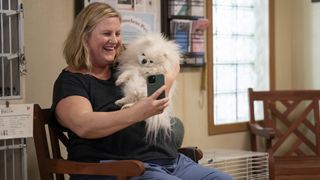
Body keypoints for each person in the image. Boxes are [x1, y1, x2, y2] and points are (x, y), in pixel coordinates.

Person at [49, 2, 233, 180]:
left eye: (118, 33)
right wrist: (136, 112)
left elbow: (170, 68)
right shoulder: (71, 82)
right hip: (119, 169)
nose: (114, 40)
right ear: (84, 36)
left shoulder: (125, 66)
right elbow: (84, 125)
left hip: (173, 163)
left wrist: (169, 75)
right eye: (106, 33)